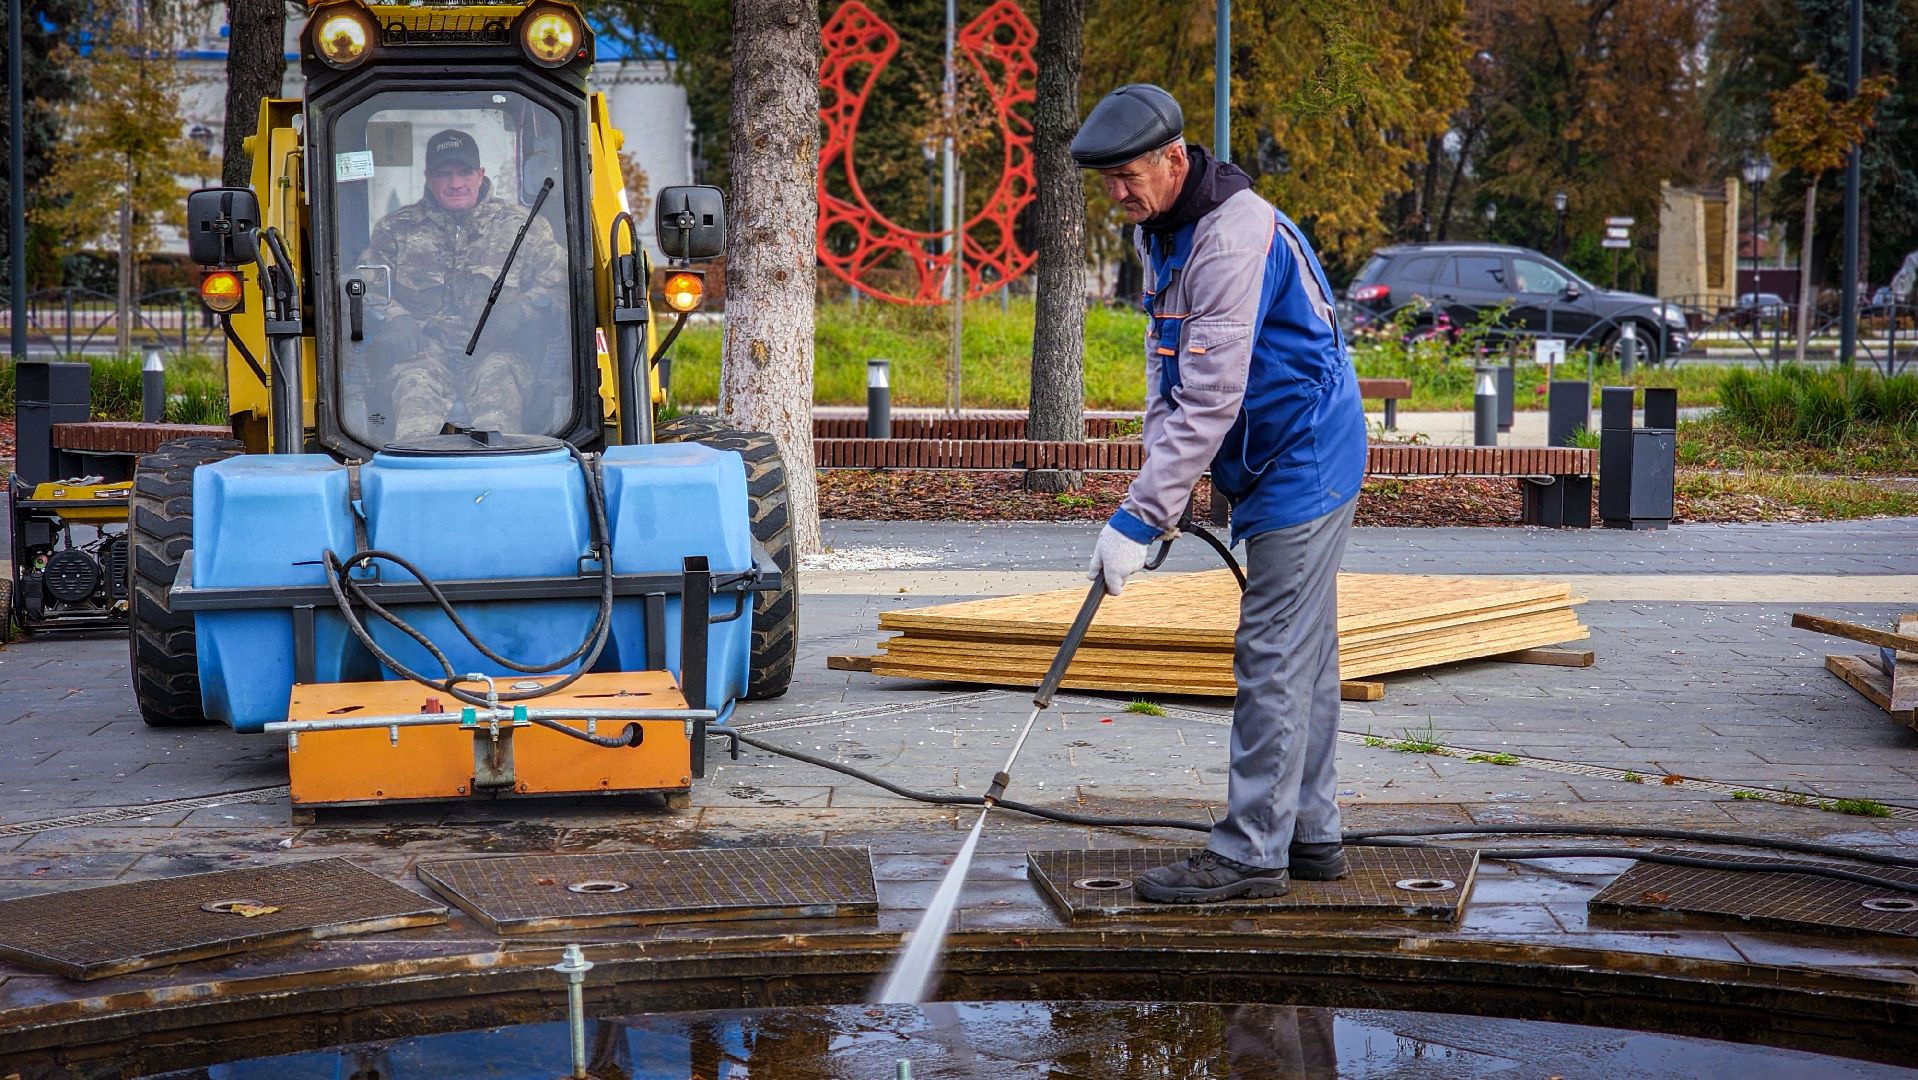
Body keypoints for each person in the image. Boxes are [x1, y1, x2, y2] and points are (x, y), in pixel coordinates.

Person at [1073, 84, 1368, 904]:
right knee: (1304, 656)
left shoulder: (1234, 237)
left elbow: (1212, 397)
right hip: (1266, 451)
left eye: (1127, 176)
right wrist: (1153, 500)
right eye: (1107, 182)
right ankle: (1311, 836)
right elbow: (1168, 379)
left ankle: (1249, 853)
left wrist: (1139, 515)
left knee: (1272, 650)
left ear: (1175, 159)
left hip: (1303, 454)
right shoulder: (1163, 231)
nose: (1117, 194)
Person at [359, 128, 565, 439]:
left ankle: (500, 479)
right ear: (428, 177)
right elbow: (366, 289)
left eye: (464, 172)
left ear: (480, 174)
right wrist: (395, 319)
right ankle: (416, 481)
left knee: (497, 414)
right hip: (423, 354)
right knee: (414, 407)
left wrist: (522, 310)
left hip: (497, 352)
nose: (455, 183)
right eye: (444, 174)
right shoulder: (395, 229)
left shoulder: (524, 227)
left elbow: (560, 286)